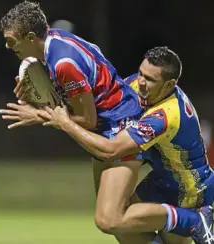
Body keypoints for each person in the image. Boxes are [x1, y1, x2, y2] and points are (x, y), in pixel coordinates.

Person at [0, 1, 156, 243]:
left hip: (121, 125)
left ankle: (189, 220)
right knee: (119, 225)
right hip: (109, 126)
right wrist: (37, 98)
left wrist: (37, 114)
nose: (8, 46)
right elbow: (69, 103)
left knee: (109, 218)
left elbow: (86, 119)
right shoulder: (51, 44)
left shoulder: (63, 64)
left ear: (31, 37)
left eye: (11, 41)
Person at [37, 47, 214, 244]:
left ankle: (194, 220)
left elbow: (111, 149)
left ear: (169, 84)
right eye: (141, 73)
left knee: (113, 219)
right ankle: (190, 221)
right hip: (160, 180)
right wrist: (40, 101)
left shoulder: (165, 115)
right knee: (119, 224)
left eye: (150, 79)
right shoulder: (135, 86)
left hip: (188, 191)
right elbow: (97, 104)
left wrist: (66, 124)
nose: (141, 82)